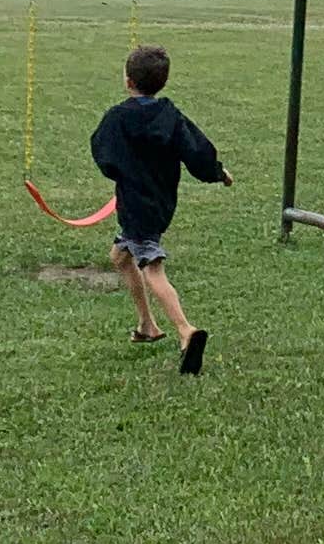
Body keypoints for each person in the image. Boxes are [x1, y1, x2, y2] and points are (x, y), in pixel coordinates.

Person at [90, 43, 224, 375]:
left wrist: (122, 172)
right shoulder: (170, 116)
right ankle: (147, 326)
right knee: (120, 257)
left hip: (137, 207)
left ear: (127, 80)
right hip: (161, 202)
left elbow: (104, 156)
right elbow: (197, 151)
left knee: (152, 267)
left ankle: (185, 331)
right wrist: (217, 172)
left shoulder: (117, 118)